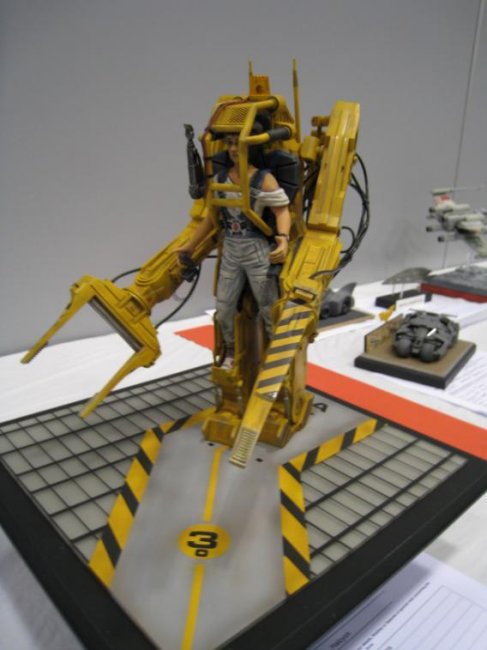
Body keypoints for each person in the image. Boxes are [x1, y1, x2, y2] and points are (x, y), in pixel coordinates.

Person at [178, 132, 291, 368]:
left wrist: (283, 239)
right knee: (223, 308)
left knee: (269, 307)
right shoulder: (220, 179)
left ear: (250, 147)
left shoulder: (263, 180)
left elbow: (282, 211)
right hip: (231, 249)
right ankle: (230, 349)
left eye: (237, 144)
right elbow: (210, 220)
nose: (232, 149)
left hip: (256, 250)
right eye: (229, 143)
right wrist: (190, 245)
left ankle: (274, 354)